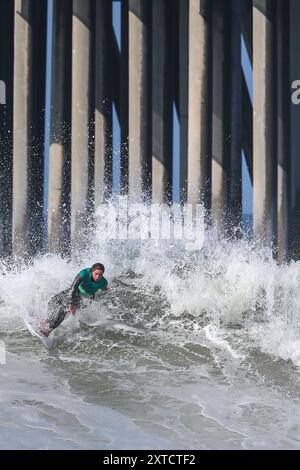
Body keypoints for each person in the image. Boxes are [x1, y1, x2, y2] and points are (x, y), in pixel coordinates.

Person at [40, 263, 108, 336]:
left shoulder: (103, 282)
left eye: (100, 275)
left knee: (64, 309)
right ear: (92, 271)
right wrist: (71, 303)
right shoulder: (84, 273)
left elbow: (104, 287)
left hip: (86, 299)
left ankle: (49, 329)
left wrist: (106, 289)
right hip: (75, 291)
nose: (97, 277)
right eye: (96, 274)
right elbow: (73, 287)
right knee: (53, 301)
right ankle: (48, 320)